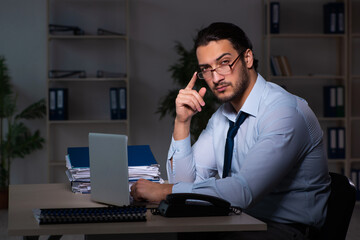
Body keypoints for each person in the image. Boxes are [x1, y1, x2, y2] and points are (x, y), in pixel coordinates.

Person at [130, 22, 330, 240]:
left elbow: (243, 191)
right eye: (206, 69)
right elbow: (186, 182)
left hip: (284, 229)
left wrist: (162, 191)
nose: (216, 78)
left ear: (247, 58)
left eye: (225, 63)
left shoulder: (284, 112)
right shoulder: (222, 117)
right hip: (239, 219)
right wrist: (182, 122)